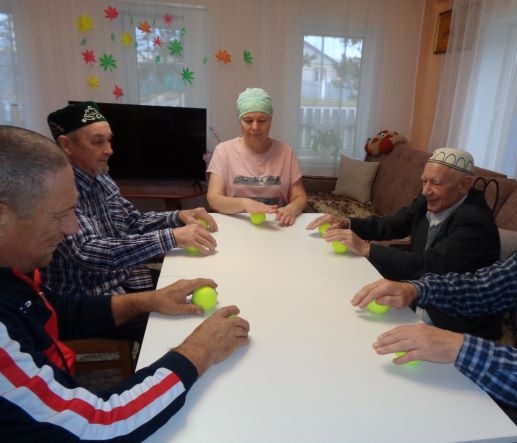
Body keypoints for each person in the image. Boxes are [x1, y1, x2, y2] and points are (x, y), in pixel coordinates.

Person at [0, 125, 250, 441]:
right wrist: (200, 350)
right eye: (59, 215)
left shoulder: (14, 272)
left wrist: (148, 300)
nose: (72, 227)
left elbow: (60, 312)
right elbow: (99, 426)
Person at [350, 146, 517, 442]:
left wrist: (462, 348)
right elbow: (485, 287)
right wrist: (416, 288)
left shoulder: (475, 220)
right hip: (511, 394)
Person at [307, 147, 502, 339]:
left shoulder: (475, 222)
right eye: (424, 181)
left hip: (451, 317)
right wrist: (348, 222)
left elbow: (430, 265)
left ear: (464, 185)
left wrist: (366, 248)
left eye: (435, 183)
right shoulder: (428, 199)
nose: (426, 191)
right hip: (417, 290)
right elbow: (394, 224)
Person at [43, 101, 219, 300]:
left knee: (202, 280)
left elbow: (132, 221)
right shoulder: (56, 189)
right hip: (91, 296)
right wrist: (171, 237)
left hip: (125, 277)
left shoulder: (101, 177)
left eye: (109, 140)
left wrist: (178, 216)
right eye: (98, 141)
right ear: (66, 145)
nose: (109, 150)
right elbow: (87, 252)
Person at [206, 87, 308, 226]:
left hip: (276, 226)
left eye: (262, 120)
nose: (255, 127)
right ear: (240, 121)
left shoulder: (286, 152)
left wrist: (292, 208)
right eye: (248, 120)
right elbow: (213, 199)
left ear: (270, 121)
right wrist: (245, 204)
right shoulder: (223, 151)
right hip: (235, 225)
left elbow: (300, 197)